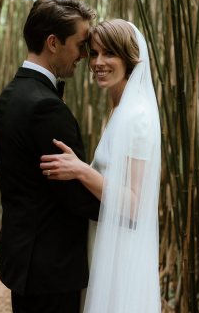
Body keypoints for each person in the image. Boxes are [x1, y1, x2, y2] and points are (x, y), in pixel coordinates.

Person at [40, 19, 161, 313]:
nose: (98, 62)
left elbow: (134, 204)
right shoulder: (121, 110)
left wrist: (81, 170)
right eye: (93, 53)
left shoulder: (139, 118)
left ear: (130, 60)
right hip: (105, 242)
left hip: (122, 253)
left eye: (109, 53)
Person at [0, 0, 101, 313]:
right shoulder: (45, 107)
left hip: (25, 260)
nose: (84, 55)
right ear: (53, 42)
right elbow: (77, 197)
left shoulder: (10, 95)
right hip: (52, 270)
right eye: (81, 44)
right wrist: (122, 199)